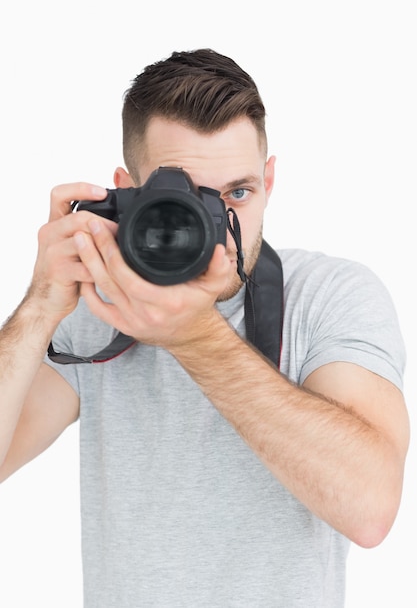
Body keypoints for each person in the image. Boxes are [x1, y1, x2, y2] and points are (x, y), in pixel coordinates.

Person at [0, 48, 410, 607]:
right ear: (128, 191)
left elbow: (371, 510)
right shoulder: (97, 307)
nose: (217, 228)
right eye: (187, 199)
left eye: (237, 194)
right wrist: (40, 306)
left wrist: (197, 338)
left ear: (270, 180)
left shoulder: (330, 296)